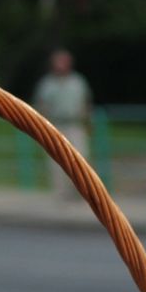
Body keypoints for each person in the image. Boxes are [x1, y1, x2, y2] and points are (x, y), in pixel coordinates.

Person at [31, 48, 92, 199]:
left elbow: (85, 103)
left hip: (75, 124)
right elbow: (41, 105)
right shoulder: (47, 83)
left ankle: (79, 192)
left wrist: (87, 123)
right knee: (57, 160)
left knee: (80, 158)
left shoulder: (78, 81)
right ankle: (60, 193)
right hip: (56, 125)